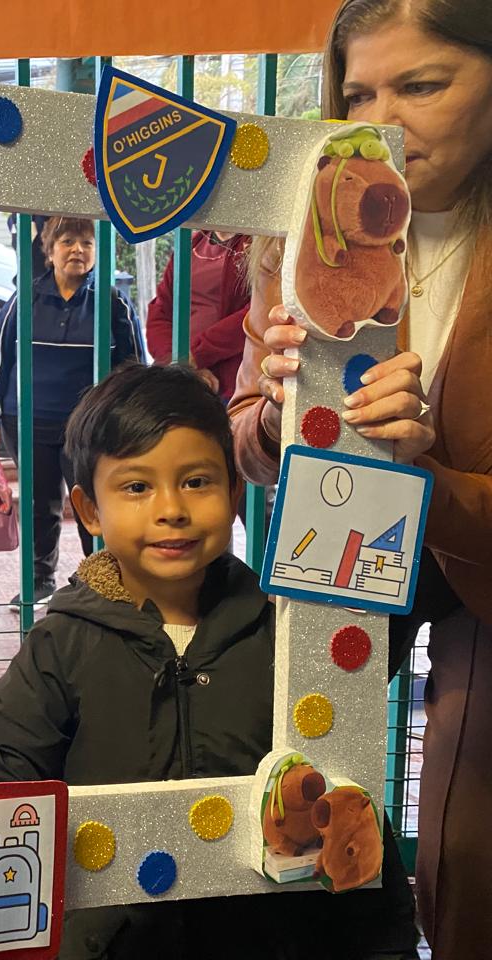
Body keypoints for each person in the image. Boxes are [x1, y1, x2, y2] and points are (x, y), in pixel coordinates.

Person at [0, 363, 418, 960]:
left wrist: (386, 940)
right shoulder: (63, 642)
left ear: (233, 493)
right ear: (89, 511)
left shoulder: (289, 628)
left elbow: (346, 760)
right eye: (137, 487)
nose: (171, 509)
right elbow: (1, 765)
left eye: (196, 481)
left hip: (273, 939)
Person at [228, 3, 492, 955]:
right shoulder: (303, 221)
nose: (382, 122)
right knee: (272, 797)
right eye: (359, 94)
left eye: (422, 85)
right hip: (332, 556)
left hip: (475, 569)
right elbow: (244, 431)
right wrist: (279, 414)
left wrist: (429, 474)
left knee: (470, 855)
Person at [0, 216, 142, 608]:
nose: (77, 250)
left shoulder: (112, 302)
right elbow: (0, 362)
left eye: (87, 243)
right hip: (26, 421)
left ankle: (99, 577)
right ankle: (40, 579)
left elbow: (134, 367)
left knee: (91, 502)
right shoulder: (24, 300)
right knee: (39, 504)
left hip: (88, 427)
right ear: (49, 252)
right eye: (67, 241)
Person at [145, 231, 251, 402]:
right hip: (181, 378)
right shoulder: (189, 243)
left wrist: (195, 356)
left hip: (232, 384)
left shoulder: (257, 244)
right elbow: (160, 311)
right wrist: (174, 362)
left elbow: (256, 314)